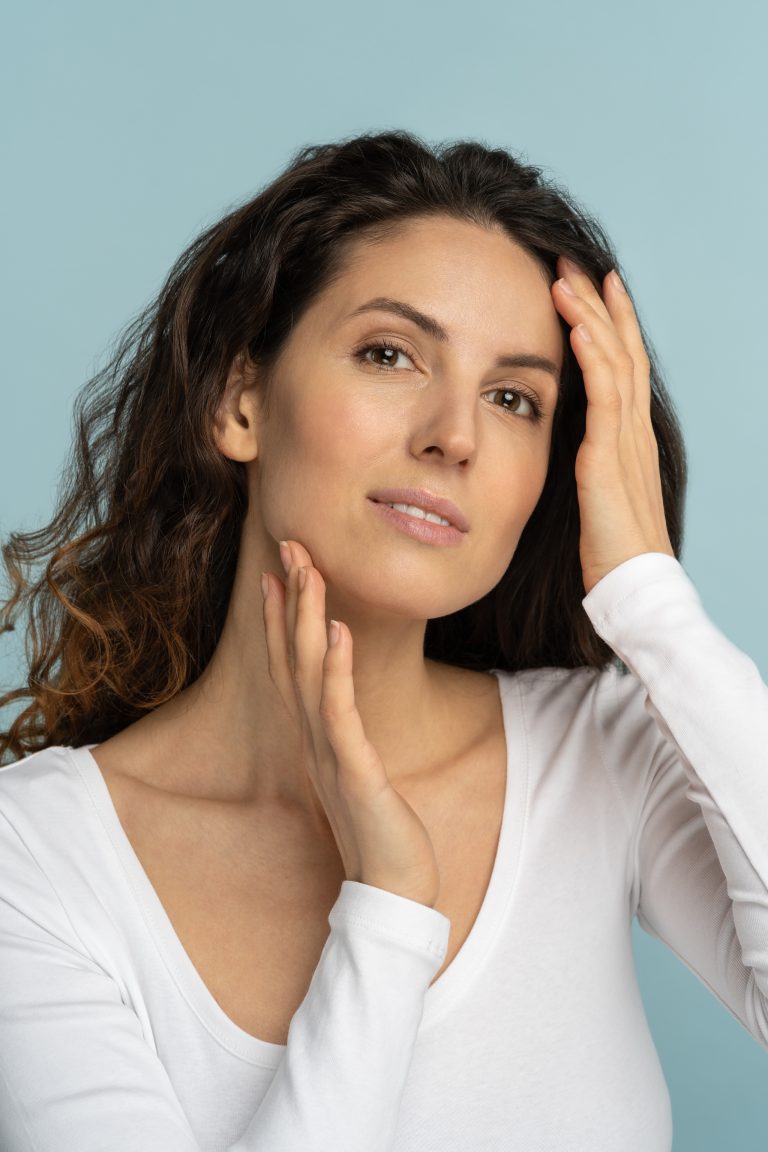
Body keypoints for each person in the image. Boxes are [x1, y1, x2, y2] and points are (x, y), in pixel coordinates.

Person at [0, 129, 765, 1152]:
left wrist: (649, 598)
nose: (456, 433)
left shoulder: (600, 754)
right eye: (391, 353)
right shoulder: (34, 860)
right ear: (239, 400)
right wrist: (389, 908)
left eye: (514, 399)